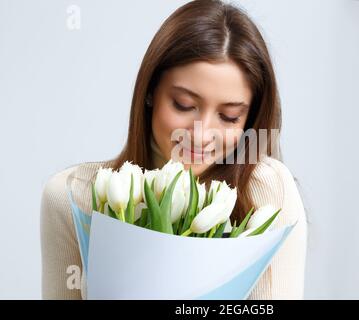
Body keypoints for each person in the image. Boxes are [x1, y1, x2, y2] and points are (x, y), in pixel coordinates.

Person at [40, 0, 307, 299]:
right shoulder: (72, 195)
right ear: (151, 91)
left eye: (229, 116)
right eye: (183, 105)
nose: (202, 134)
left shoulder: (266, 190)